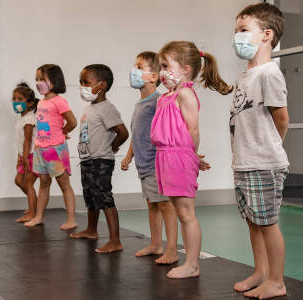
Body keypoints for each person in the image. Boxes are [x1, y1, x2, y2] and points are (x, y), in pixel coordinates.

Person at [151, 41, 232, 279]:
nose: (162, 70)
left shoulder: (185, 93)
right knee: (179, 211)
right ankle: (189, 261)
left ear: (186, 68)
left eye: (166, 65)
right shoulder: (165, 96)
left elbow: (193, 130)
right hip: (164, 156)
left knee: (187, 213)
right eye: (161, 65)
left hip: (178, 156)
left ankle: (193, 264)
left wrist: (191, 156)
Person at [231, 3, 289, 299]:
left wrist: (267, 149)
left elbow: (282, 120)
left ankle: (277, 281)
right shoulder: (245, 76)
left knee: (268, 223)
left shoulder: (269, 73)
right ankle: (261, 271)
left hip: (264, 162)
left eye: (243, 30)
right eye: (236, 31)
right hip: (244, 162)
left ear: (266, 35)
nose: (237, 37)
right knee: (254, 221)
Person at [121, 51, 179, 263]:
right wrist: (128, 156)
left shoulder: (159, 101)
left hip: (158, 165)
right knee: (152, 204)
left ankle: (171, 248)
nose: (133, 71)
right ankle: (156, 244)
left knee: (165, 205)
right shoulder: (139, 105)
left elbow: (170, 129)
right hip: (143, 165)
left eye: (139, 67)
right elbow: (137, 134)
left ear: (154, 76)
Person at [70, 64, 128, 253]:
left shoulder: (106, 108)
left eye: (86, 82)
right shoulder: (91, 107)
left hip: (101, 160)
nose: (82, 86)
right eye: (81, 82)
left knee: (104, 197)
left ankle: (115, 240)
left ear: (102, 85)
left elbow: (123, 132)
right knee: (91, 196)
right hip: (88, 159)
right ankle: (91, 230)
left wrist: (112, 146)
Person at [24, 64, 78, 230]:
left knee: (64, 184)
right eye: (37, 79)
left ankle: (71, 219)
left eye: (42, 79)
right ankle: (39, 216)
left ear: (54, 81)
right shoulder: (41, 102)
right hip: (40, 148)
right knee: (44, 184)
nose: (38, 82)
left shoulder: (59, 101)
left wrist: (62, 132)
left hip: (55, 149)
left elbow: (73, 122)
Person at [12, 83, 39, 222]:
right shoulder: (22, 118)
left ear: (29, 103)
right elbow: (20, 141)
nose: (16, 102)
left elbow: (28, 140)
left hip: (32, 155)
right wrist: (19, 156)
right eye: (14, 98)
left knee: (28, 184)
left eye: (20, 99)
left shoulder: (29, 118)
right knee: (18, 180)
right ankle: (34, 205)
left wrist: (26, 158)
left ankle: (33, 212)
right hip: (25, 155)